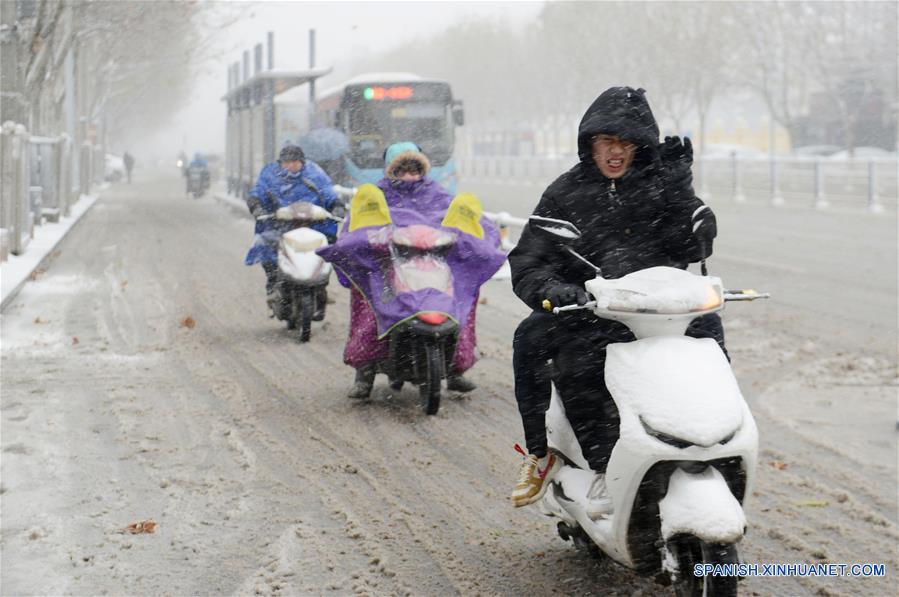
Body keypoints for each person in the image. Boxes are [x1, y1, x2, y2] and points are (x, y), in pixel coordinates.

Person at [507, 87, 723, 512]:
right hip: (590, 311)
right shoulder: (564, 193)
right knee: (535, 340)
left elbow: (690, 246)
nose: (616, 151)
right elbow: (528, 261)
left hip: (660, 312)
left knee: (709, 331)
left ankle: (712, 437)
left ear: (641, 146)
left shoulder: (662, 185)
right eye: (607, 141)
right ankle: (542, 452)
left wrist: (681, 190)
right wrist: (555, 290)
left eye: (626, 141)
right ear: (590, 144)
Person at [341, 142, 499, 399]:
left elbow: (465, 220)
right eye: (401, 170)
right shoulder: (376, 196)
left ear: (423, 170)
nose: (409, 176)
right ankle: (365, 370)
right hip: (388, 266)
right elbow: (356, 226)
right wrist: (371, 241)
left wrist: (475, 239)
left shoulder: (437, 193)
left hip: (434, 263)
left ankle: (456, 367)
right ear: (390, 170)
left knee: (461, 300)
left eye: (414, 170)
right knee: (368, 300)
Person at [244, 144, 338, 317]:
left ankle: (321, 284)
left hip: (313, 225)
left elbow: (328, 192)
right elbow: (258, 191)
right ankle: (273, 283)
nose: (290, 166)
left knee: (330, 247)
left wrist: (336, 205)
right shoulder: (270, 174)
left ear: (302, 162)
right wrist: (256, 205)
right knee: (265, 244)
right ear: (280, 163)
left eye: (295, 162)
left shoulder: (315, 174)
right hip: (278, 225)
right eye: (286, 162)